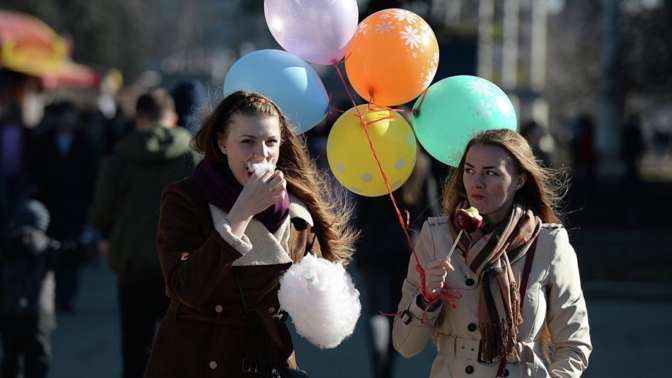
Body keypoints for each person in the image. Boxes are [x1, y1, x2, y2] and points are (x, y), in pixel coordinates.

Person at [143, 91, 357, 378]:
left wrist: (321, 294)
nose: (261, 154)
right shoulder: (186, 198)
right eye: (247, 142)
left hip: (269, 362)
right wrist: (239, 216)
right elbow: (184, 287)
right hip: (197, 358)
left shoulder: (297, 211)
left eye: (270, 142)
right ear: (222, 143)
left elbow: (318, 305)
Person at [392, 129, 592, 377]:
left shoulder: (548, 243)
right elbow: (405, 345)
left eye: (491, 172)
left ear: (519, 180)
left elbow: (575, 345)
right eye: (469, 169)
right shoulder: (436, 237)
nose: (477, 182)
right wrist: (426, 298)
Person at [90, 89, 199, 378]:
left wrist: (104, 235)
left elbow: (102, 209)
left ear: (139, 117)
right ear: (173, 117)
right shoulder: (191, 157)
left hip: (132, 263)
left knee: (135, 348)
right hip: (180, 264)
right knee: (179, 347)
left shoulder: (119, 156)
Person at [354, 148, 440, 378]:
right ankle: (388, 368)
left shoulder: (375, 163)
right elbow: (430, 213)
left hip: (373, 247)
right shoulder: (420, 164)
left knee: (376, 311)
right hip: (407, 250)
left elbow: (359, 212)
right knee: (397, 311)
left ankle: (379, 368)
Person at [31, 100, 98, 313]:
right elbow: (35, 171)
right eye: (63, 116)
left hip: (75, 204)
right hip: (49, 204)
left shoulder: (84, 142)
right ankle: (49, 296)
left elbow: (92, 175)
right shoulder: (43, 141)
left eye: (70, 116)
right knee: (49, 252)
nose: (66, 120)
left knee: (71, 252)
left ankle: (67, 297)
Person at [0, 200, 60, 378]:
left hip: (8, 312)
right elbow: (71, 254)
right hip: (39, 315)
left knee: (10, 359)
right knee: (38, 361)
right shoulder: (47, 247)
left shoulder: (5, 246)